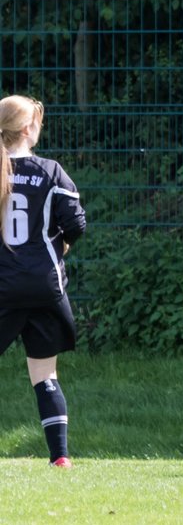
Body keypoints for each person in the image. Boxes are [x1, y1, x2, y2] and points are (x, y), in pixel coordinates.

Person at [0, 95, 87, 468]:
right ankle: (61, 457)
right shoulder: (50, 171)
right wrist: (59, 248)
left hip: (3, 286)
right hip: (44, 287)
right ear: (26, 129)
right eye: (37, 121)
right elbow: (77, 224)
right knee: (45, 374)